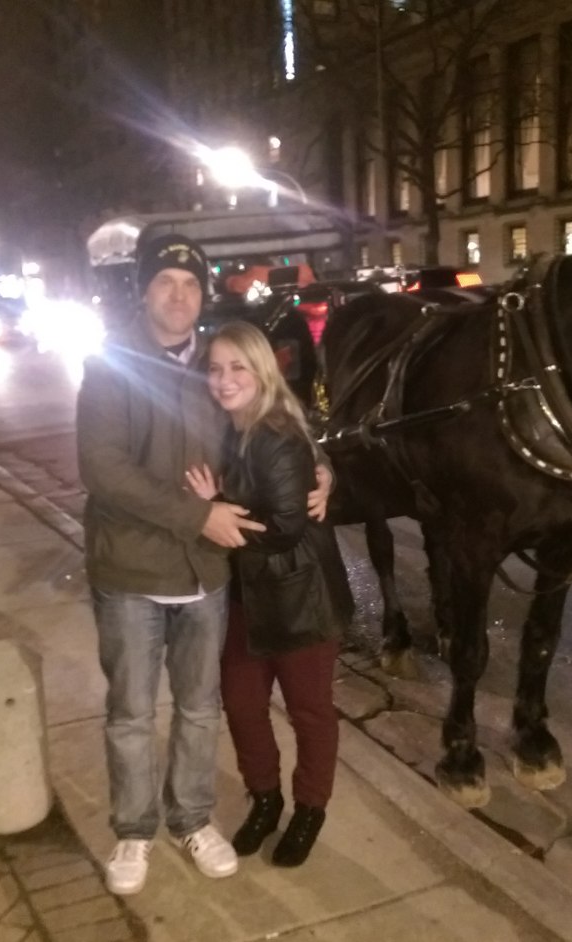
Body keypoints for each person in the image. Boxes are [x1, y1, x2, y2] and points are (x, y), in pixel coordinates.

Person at [76, 234, 332, 895]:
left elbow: (272, 420)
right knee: (132, 713)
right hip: (134, 573)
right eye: (166, 282)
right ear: (144, 289)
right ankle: (134, 831)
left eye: (190, 285)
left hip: (209, 576)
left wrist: (323, 470)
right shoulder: (111, 364)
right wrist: (200, 516)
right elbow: (104, 470)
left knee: (198, 709)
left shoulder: (215, 361)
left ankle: (191, 817)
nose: (179, 295)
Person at [186, 320, 353, 867]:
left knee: (309, 711)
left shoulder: (274, 433)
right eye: (215, 368)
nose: (224, 378)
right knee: (243, 705)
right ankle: (265, 798)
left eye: (237, 366)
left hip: (299, 595)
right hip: (247, 597)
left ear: (262, 370)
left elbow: (284, 526)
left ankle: (309, 808)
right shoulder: (228, 424)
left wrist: (218, 504)